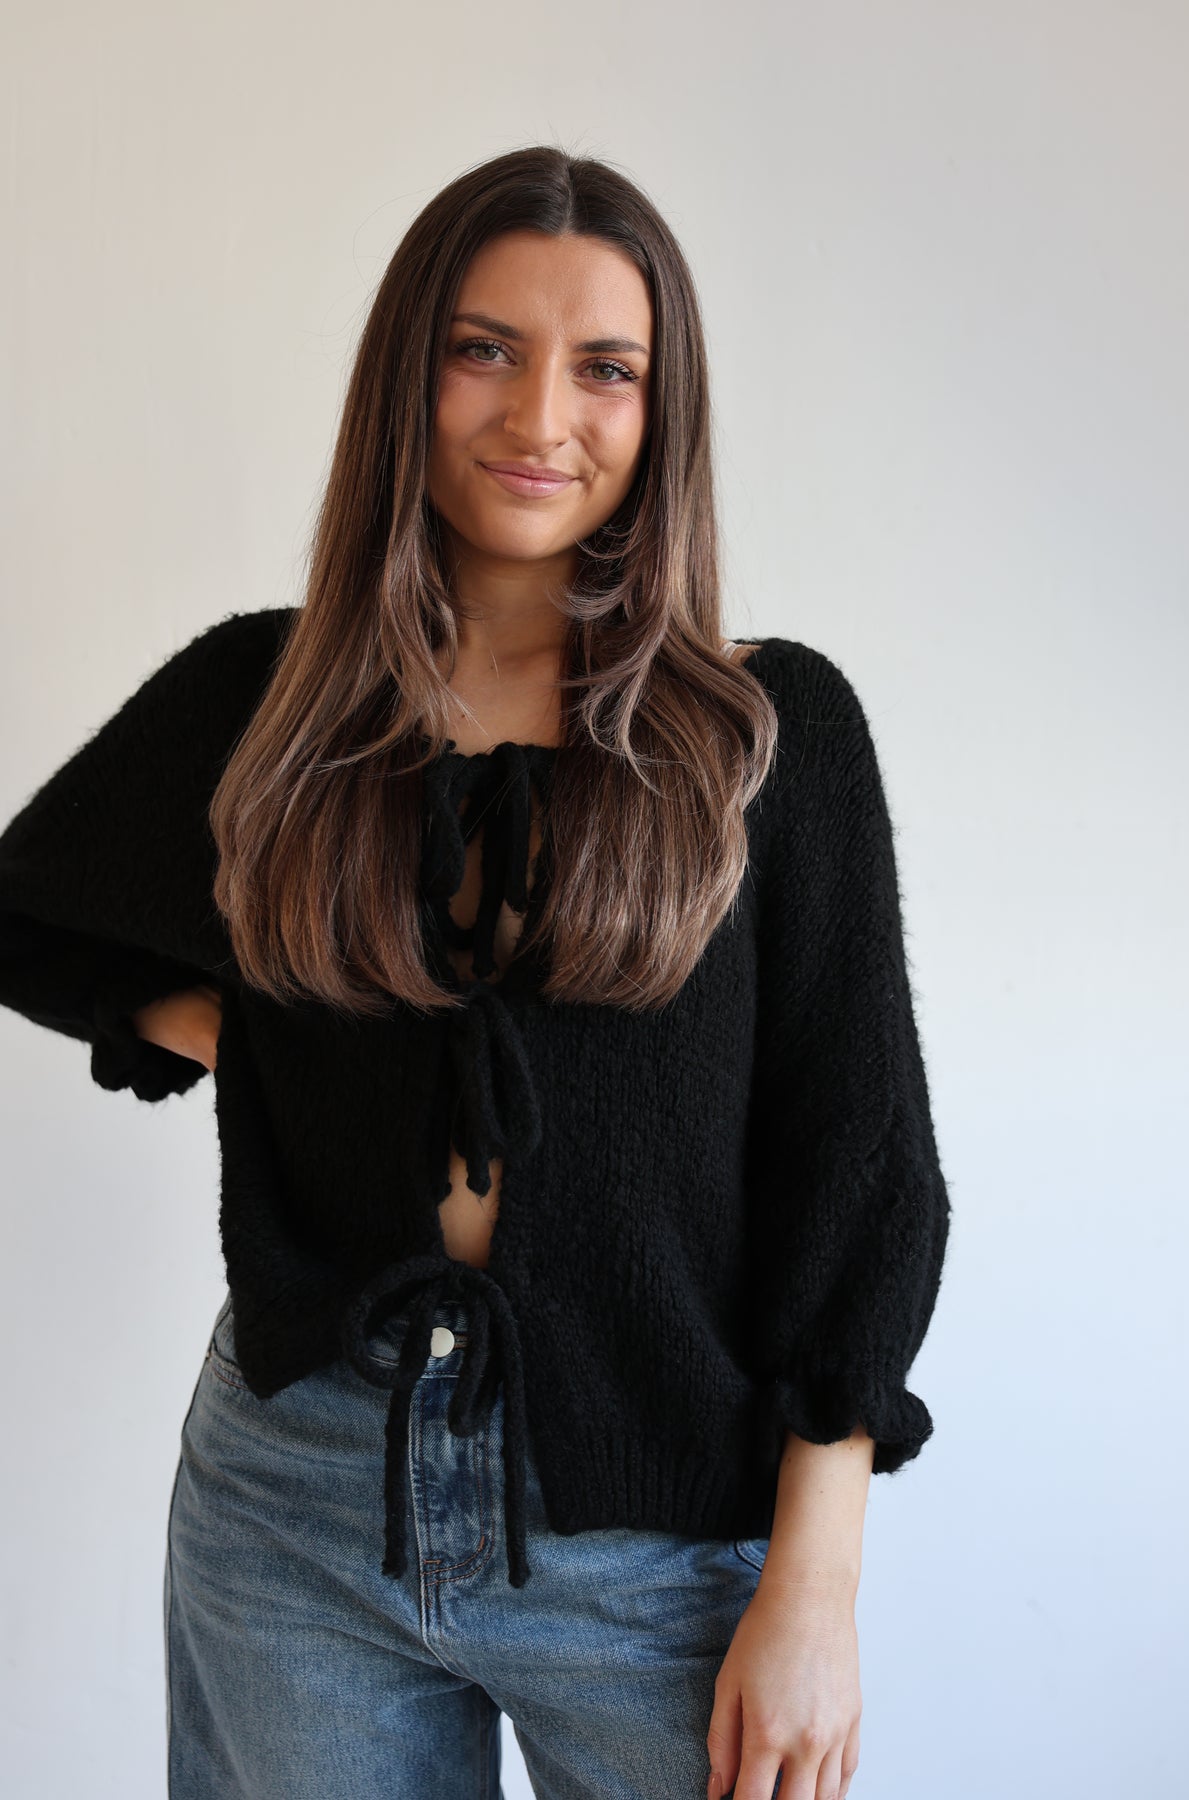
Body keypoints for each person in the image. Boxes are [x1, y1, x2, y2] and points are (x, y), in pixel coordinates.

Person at [0, 145, 952, 1800]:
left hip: (656, 1538)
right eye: (484, 349)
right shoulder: (272, 703)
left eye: (607, 367)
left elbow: (860, 1173)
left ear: (663, 409)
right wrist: (248, 1040)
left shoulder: (764, 738)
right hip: (297, 1507)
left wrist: (816, 1588)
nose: (539, 416)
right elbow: (24, 913)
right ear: (409, 374)